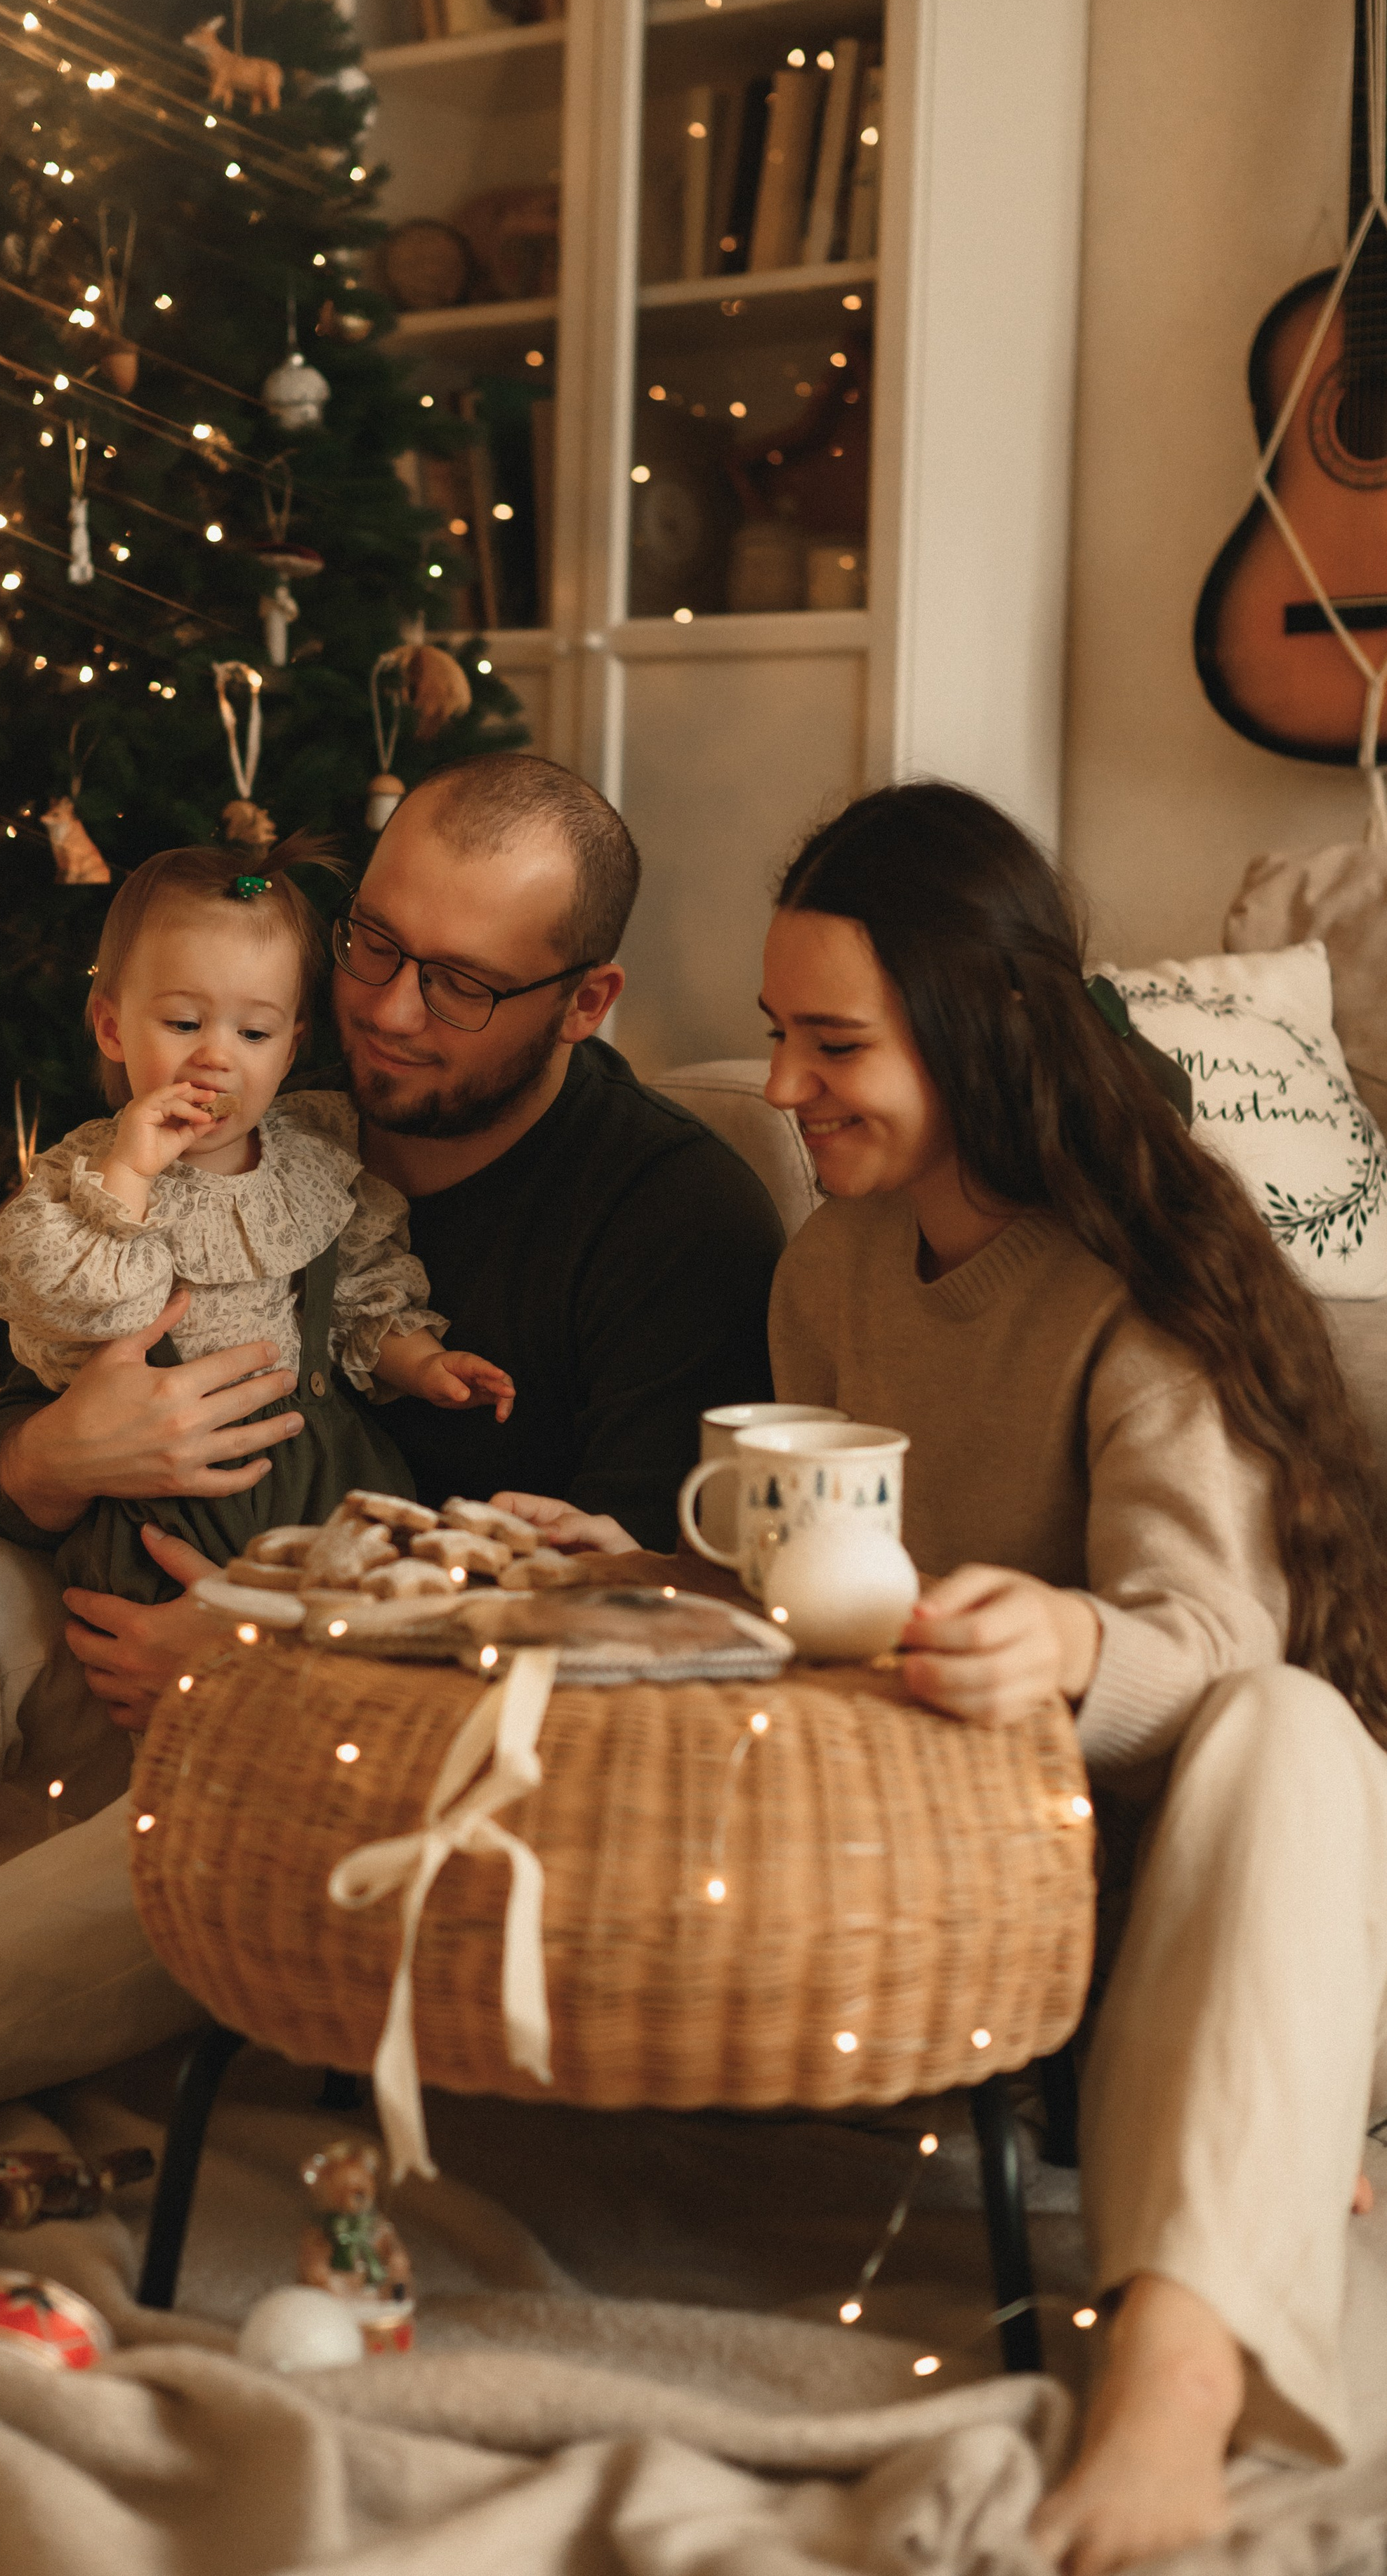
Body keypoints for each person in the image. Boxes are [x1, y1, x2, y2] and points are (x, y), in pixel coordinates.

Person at [0, 754, 783, 2139]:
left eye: (456, 983)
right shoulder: (269, 1092)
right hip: (139, 1645)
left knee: (235, 1810)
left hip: (403, 1771)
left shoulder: (671, 1221)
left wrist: (287, 1669)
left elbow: (641, 1622)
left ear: (586, 1001)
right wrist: (47, 1458)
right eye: (374, 945)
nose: (384, 1010)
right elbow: (22, 1400)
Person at [515, 781, 1387, 2576]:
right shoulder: (830, 1263)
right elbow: (820, 1596)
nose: (777, 1086)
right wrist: (648, 1573)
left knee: (1293, 1725)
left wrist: (1065, 1640)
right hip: (951, 1867)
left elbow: (1220, 1662)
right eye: (774, 1035)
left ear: (981, 1032)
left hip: (1210, 1870)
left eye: (831, 1040)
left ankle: (1171, 2376)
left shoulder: (1133, 1283)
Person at [0, 829, 511, 1608]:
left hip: (316, 1472)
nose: (216, 1058)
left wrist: (424, 1362)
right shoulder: (87, 1173)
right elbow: (74, 1304)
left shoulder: (312, 1163)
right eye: (184, 1023)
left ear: (291, 1049)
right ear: (112, 1026)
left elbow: (356, 1297)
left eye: (252, 1032)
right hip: (161, 1491)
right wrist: (129, 1175)